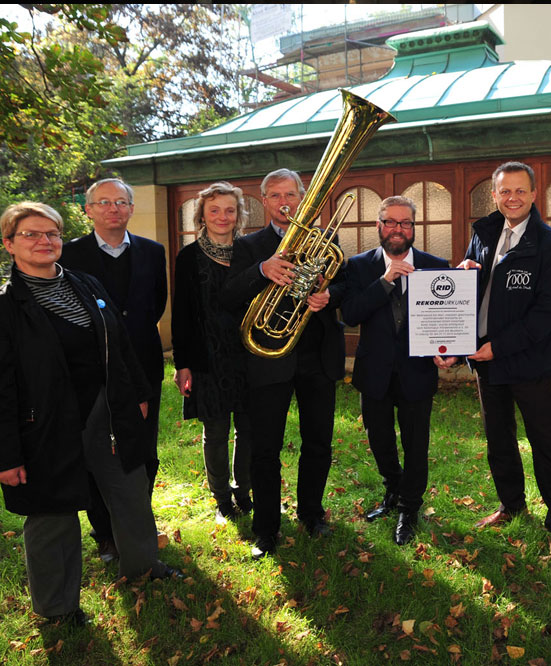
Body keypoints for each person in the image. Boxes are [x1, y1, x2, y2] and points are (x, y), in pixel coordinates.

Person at [0, 203, 179, 626]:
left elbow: (119, 346)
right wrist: (3, 456)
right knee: (52, 512)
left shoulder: (86, 284)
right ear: (9, 244)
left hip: (108, 411)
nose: (44, 241)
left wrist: (136, 393)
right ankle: (57, 607)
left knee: (130, 491)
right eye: (31, 234)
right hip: (44, 423)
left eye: (52, 234)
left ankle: (143, 567)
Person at [438, 161, 551, 569]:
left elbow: (545, 315)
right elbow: (468, 297)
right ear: (495, 195)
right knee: (498, 438)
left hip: (528, 361)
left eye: (520, 191)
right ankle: (511, 505)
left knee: (545, 444)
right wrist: (465, 279)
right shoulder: (483, 234)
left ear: (534, 195)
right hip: (486, 361)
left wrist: (497, 347)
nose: (512, 198)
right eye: (504, 191)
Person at [221, 168, 345, 559]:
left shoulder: (325, 239)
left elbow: (343, 281)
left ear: (303, 196)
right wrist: (262, 270)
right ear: (264, 201)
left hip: (317, 357)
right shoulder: (248, 245)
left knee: (318, 443)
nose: (284, 202)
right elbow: (228, 294)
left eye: (290, 193)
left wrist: (329, 296)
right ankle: (267, 529)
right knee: (265, 448)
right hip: (268, 358)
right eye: (275, 195)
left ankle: (312, 514)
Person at [61, 177, 167, 563]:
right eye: (103, 202)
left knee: (143, 453)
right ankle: (105, 533)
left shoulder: (153, 252)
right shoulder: (68, 255)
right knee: (95, 456)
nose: (113, 209)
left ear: (131, 209)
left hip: (142, 364)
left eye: (121, 202)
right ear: (88, 210)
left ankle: (137, 524)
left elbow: (155, 304)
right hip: (89, 371)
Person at [341, 196, 449, 545]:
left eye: (405, 223)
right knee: (381, 441)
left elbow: (450, 320)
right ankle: (392, 490)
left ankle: (409, 508)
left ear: (414, 228)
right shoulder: (358, 266)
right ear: (379, 226)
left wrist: (451, 354)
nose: (397, 229)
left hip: (418, 372)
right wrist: (386, 280)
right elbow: (350, 314)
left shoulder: (436, 265)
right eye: (390, 222)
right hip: (374, 373)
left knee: (416, 444)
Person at [171, 182, 253, 523]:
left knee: (249, 430)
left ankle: (244, 490)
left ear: (239, 215)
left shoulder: (251, 252)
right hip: (207, 358)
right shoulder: (188, 257)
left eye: (230, 210)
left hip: (249, 354)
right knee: (216, 432)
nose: (223, 216)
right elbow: (182, 314)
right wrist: (183, 364)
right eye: (214, 210)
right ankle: (221, 497)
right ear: (202, 215)